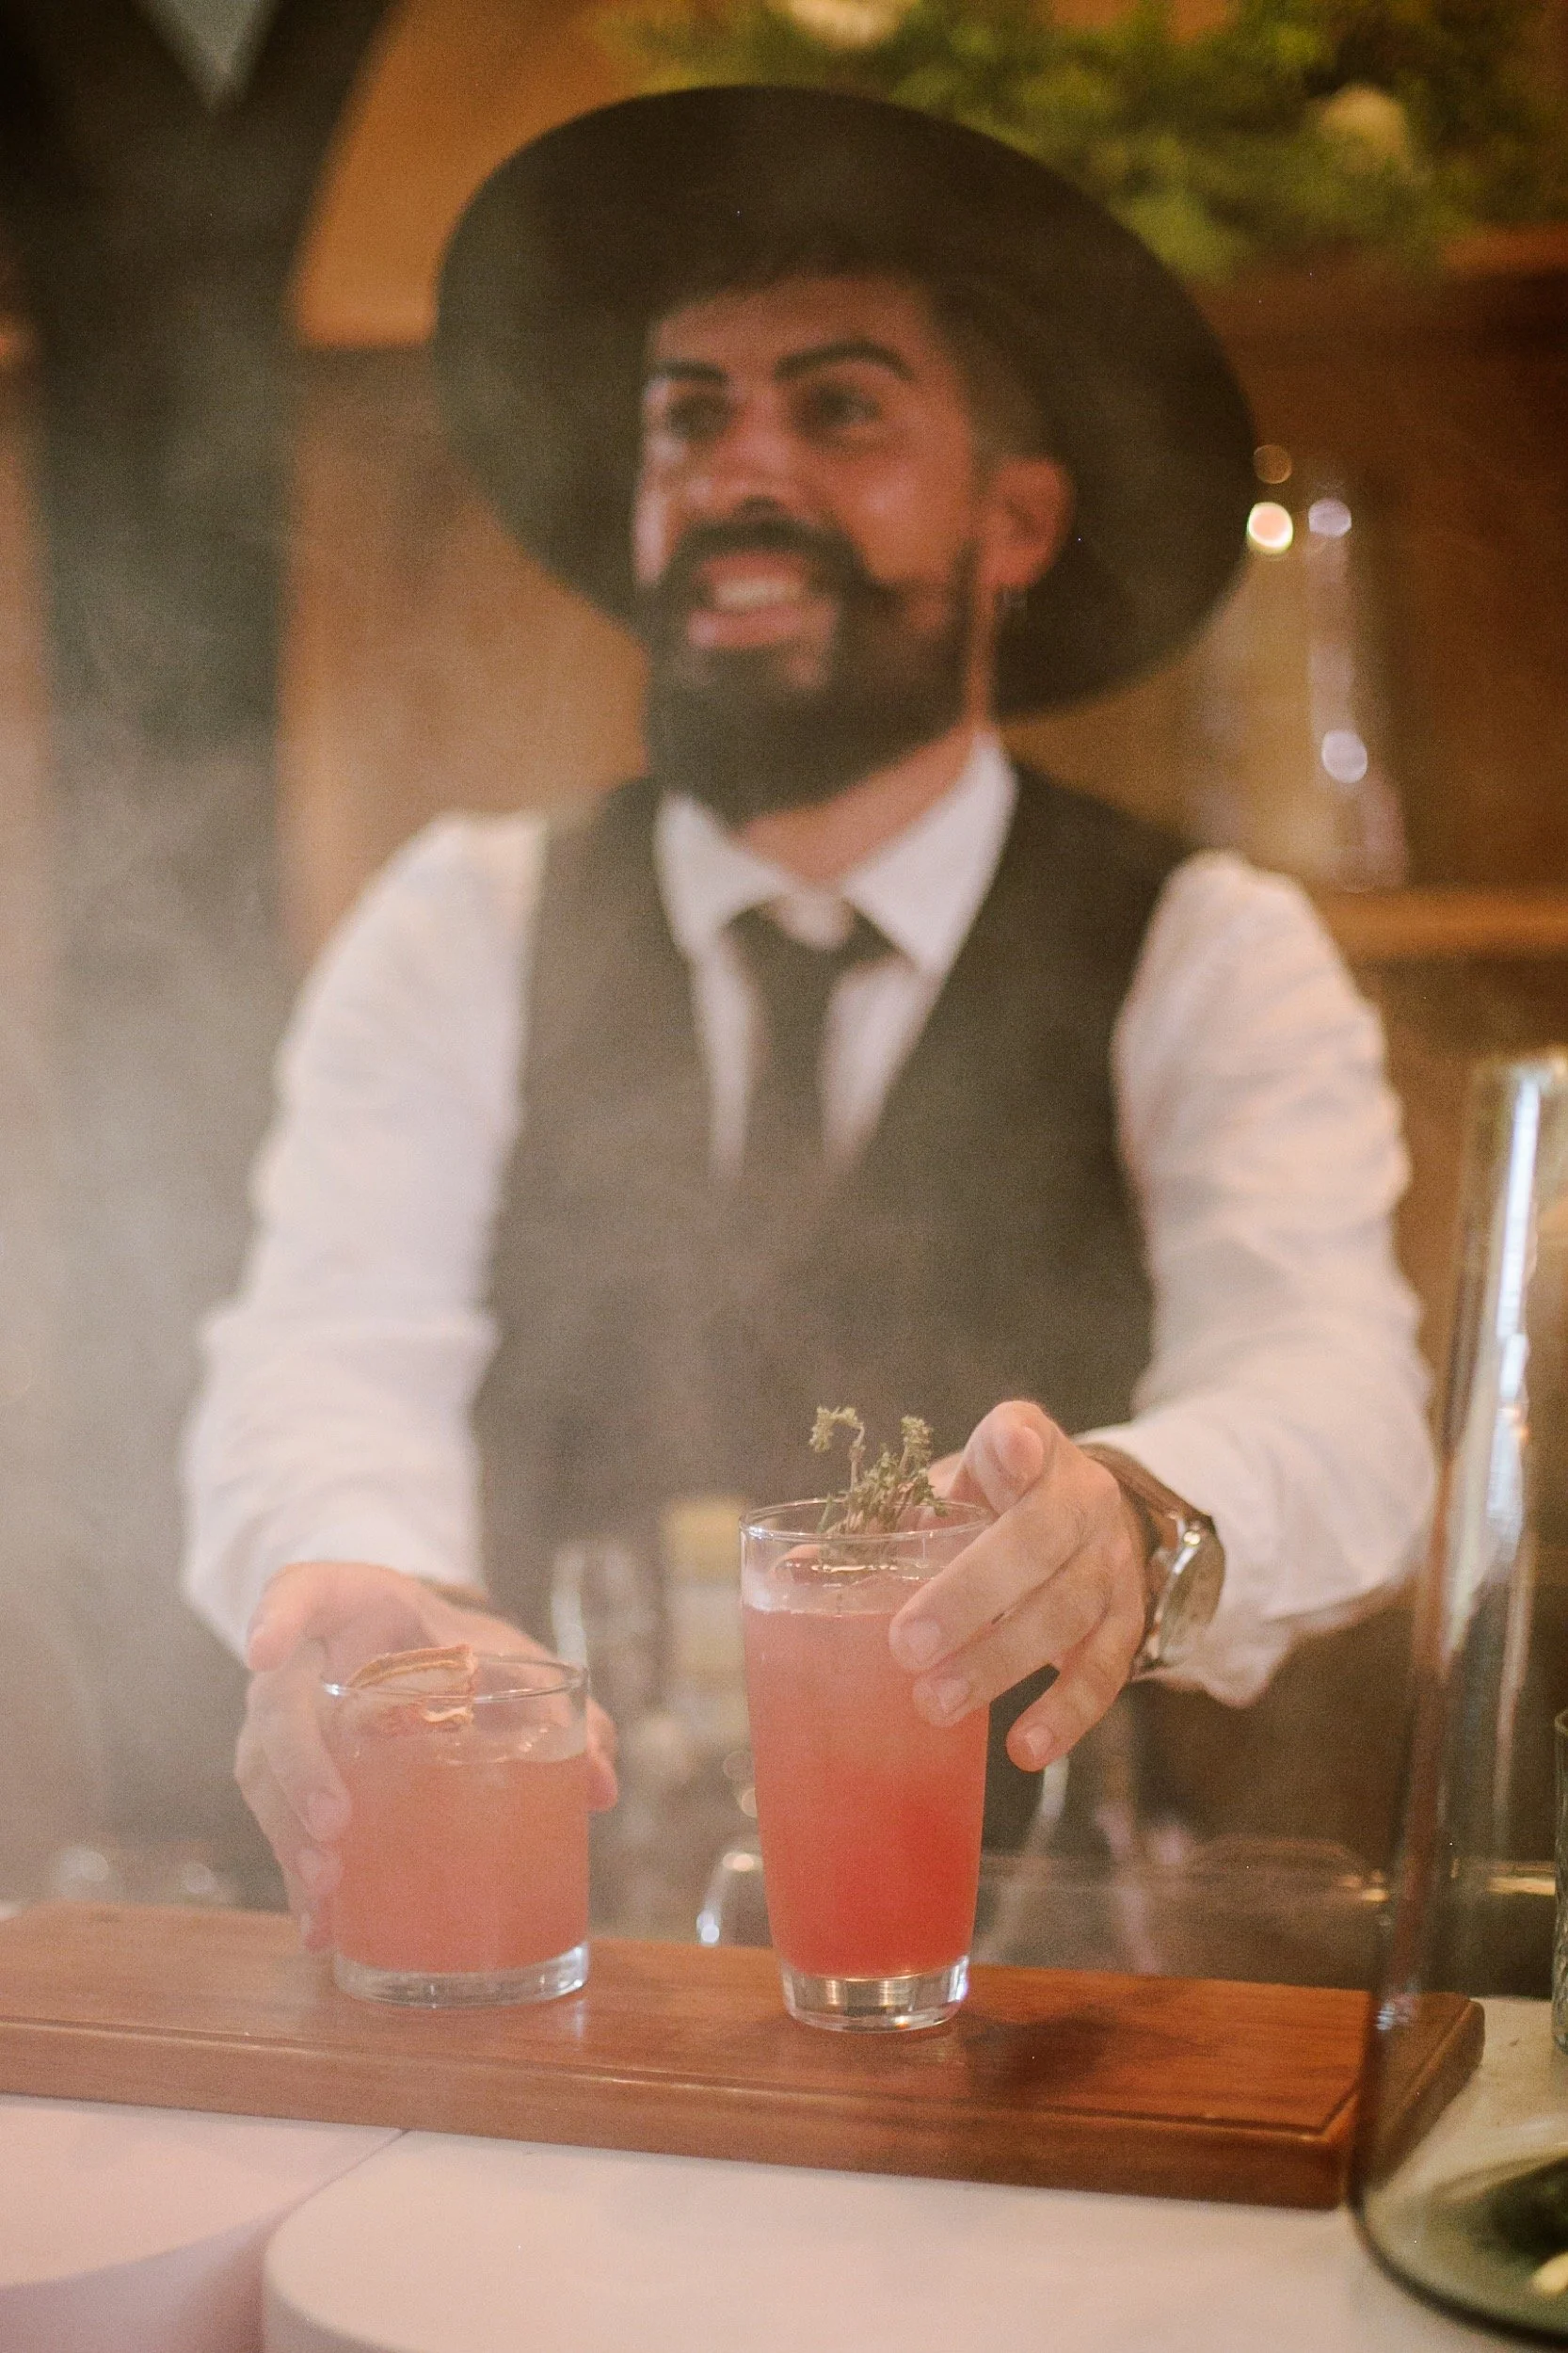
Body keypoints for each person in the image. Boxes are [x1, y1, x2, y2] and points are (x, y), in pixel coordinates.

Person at [182, 87, 1433, 1942]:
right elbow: (330, 1341)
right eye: (689, 416)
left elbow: (1339, 1394)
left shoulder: (1204, 945)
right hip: (542, 1953)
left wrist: (1135, 1514)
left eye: (837, 408)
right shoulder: (462, 920)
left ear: (1015, 521)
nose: (739, 468)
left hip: (1018, 1973)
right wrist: (362, 1575)